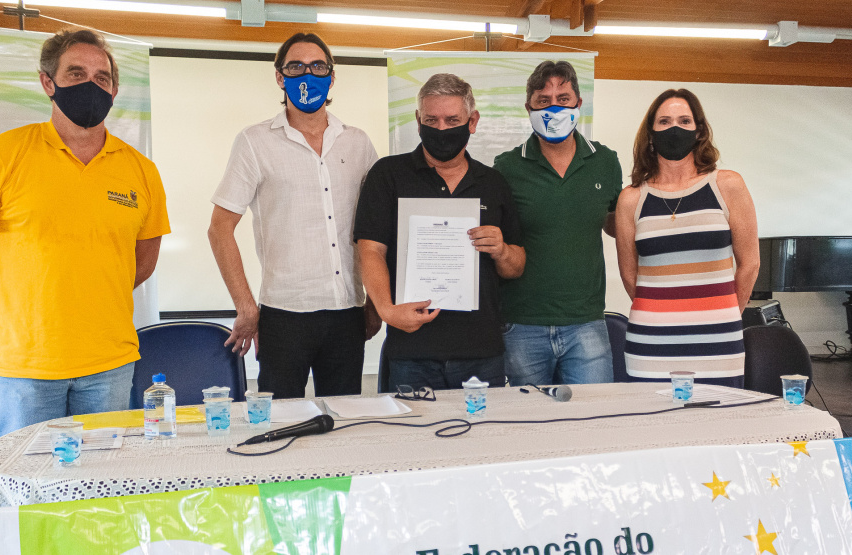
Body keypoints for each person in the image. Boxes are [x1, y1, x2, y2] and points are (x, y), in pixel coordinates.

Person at [0, 29, 170, 439]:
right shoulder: (0, 155)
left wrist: (91, 295)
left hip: (109, 362)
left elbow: (144, 257)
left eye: (102, 77)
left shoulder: (141, 170)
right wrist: (22, 300)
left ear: (115, 89)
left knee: (102, 487)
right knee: (26, 486)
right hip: (26, 367)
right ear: (47, 82)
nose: (91, 84)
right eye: (76, 73)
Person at [208, 33, 380, 400]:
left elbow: (377, 228)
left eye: (318, 66)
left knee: (345, 420)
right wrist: (245, 306)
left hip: (348, 310)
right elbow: (220, 228)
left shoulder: (358, 142)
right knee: (280, 423)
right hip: (284, 315)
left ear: (332, 77)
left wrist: (377, 301)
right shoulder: (255, 142)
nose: (308, 74)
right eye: (296, 66)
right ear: (279, 76)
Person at [355, 73, 525, 391]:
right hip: (411, 351)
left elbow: (516, 266)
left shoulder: (493, 183)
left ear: (472, 121)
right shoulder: (388, 175)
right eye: (432, 120)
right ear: (418, 121)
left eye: (452, 119)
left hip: (481, 351)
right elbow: (370, 249)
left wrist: (502, 250)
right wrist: (387, 311)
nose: (442, 129)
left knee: (482, 439)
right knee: (411, 439)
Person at [615, 89, 759, 386]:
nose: (675, 128)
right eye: (664, 121)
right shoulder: (630, 199)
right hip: (651, 342)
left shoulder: (728, 185)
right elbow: (631, 276)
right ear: (651, 133)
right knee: (652, 428)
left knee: (721, 427)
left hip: (719, 339)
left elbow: (750, 264)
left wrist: (725, 312)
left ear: (699, 131)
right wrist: (664, 313)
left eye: (684, 120)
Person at [493, 61, 622, 387]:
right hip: (522, 324)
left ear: (578, 104)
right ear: (529, 108)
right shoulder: (507, 167)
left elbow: (615, 223)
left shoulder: (605, 162)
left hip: (586, 323)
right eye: (543, 100)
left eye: (563, 99)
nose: (553, 107)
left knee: (593, 422)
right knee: (532, 427)